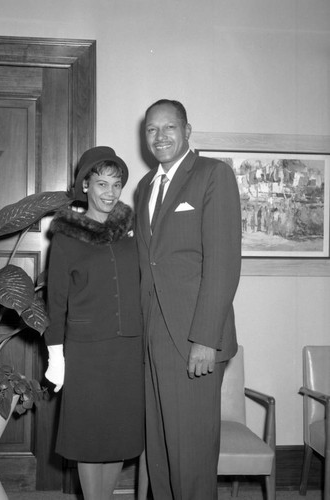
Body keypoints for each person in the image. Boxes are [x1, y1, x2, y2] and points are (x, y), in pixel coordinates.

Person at [135, 99, 242, 500]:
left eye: (169, 128)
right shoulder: (145, 186)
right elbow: (150, 264)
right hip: (153, 336)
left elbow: (223, 263)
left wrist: (205, 339)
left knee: (192, 459)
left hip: (193, 339)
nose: (160, 137)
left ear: (187, 130)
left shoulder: (213, 174)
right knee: (160, 454)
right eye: (151, 130)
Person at [44, 146, 145, 500]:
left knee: (118, 435)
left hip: (128, 349)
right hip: (86, 351)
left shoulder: (132, 228)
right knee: (89, 438)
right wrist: (56, 356)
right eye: (101, 183)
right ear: (85, 185)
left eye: (116, 184)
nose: (110, 192)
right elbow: (55, 300)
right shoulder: (67, 234)